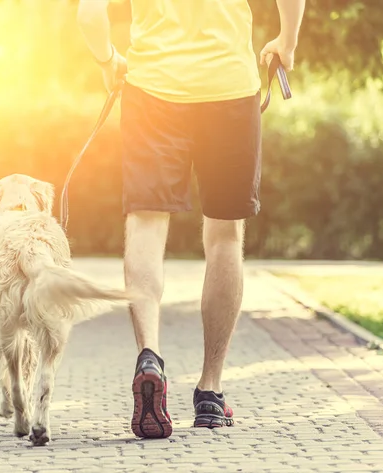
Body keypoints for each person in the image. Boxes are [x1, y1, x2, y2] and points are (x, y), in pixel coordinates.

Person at [77, 0, 305, 438]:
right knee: (224, 233)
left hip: (153, 90)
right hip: (229, 88)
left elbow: (89, 14)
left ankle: (149, 354)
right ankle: (210, 394)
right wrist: (287, 41)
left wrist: (107, 60)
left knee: (144, 222)